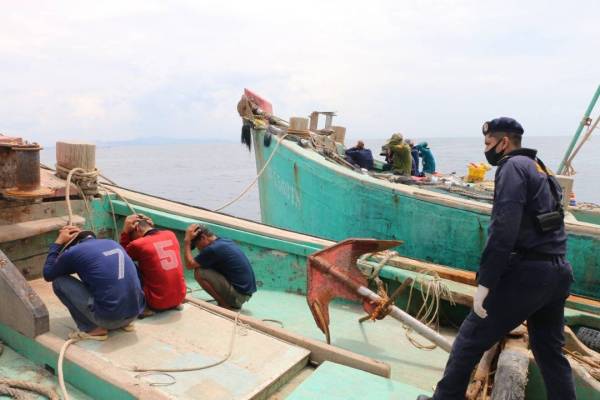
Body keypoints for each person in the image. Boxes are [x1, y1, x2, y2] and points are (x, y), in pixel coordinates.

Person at [417, 117, 575, 400]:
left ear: (503, 143)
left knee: (468, 340)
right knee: (549, 352)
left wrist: (486, 282)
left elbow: (504, 227)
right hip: (558, 270)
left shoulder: (512, 166)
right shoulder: (541, 169)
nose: (487, 149)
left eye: (489, 143)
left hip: (527, 273)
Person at [43, 226, 145, 339]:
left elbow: (48, 274)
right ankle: (125, 322)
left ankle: (92, 328)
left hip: (110, 320)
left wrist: (58, 243)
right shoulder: (112, 243)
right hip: (134, 313)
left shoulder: (74, 251)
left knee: (59, 282)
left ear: (69, 246)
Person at [120, 214, 186, 316]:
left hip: (156, 302)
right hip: (180, 297)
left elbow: (120, 258)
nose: (131, 240)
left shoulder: (138, 244)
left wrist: (125, 232)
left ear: (137, 228)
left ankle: (143, 308)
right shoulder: (170, 234)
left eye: (131, 236)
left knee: (129, 266)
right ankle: (174, 303)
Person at [183, 224, 257, 310]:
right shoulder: (223, 241)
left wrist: (187, 241)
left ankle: (224, 305)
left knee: (199, 272)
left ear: (203, 237)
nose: (198, 249)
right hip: (245, 294)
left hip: (238, 296)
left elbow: (189, 265)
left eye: (197, 245)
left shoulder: (213, 249)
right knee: (205, 265)